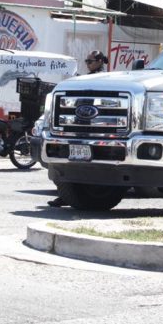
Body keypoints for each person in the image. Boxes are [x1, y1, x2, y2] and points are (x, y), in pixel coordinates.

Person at [47, 48, 109, 209]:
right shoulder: (88, 78)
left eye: (91, 61)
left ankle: (67, 195)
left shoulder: (104, 78)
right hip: (79, 126)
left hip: (93, 129)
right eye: (86, 61)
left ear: (100, 61)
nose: (88, 64)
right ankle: (65, 195)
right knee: (67, 162)